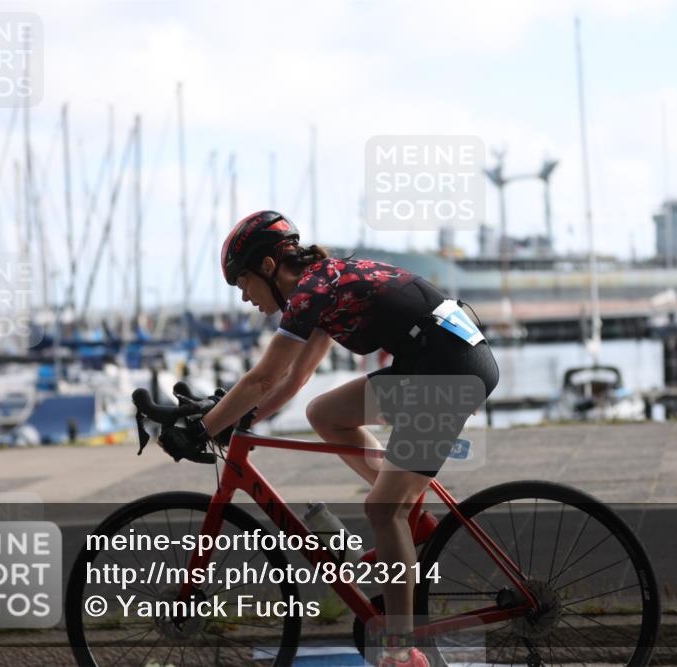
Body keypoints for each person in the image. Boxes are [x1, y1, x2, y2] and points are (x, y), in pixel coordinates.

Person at [161, 210, 499, 667]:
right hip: (434, 363)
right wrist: (238, 419)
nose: (244, 297)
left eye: (242, 283)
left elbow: (263, 377)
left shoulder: (312, 291)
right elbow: (294, 380)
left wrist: (205, 428)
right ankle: (410, 516)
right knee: (325, 413)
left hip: (447, 373)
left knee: (382, 509)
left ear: (267, 267)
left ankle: (402, 653)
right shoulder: (322, 284)